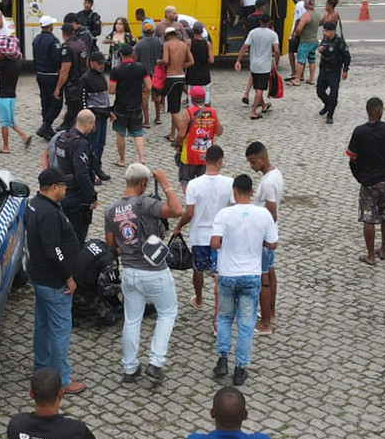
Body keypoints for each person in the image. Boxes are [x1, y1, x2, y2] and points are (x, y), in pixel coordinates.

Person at [103, 164, 183, 385]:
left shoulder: (111, 210)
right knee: (167, 312)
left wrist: (128, 245)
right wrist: (165, 183)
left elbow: (111, 245)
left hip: (129, 272)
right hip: (154, 271)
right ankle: (155, 362)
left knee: (132, 320)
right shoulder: (146, 204)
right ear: (143, 183)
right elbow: (177, 210)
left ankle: (130, 368)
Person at [210, 175, 279, 386]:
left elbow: (214, 243)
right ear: (251, 192)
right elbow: (273, 244)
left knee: (224, 318)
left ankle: (222, 360)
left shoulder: (223, 214)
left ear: (234, 191)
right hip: (251, 274)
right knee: (246, 324)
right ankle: (240, 368)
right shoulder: (264, 214)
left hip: (228, 274)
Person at [26, 171, 87, 395]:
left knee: (42, 326)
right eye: (63, 186)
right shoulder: (49, 213)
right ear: (53, 187)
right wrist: (68, 277)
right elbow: (54, 250)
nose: (66, 189)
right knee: (60, 331)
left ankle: (40, 368)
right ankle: (61, 380)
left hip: (39, 276)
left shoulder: (34, 204)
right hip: (54, 282)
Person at [346, 97, 385, 265]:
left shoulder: (359, 132)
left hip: (369, 182)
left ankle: (370, 255)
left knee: (368, 218)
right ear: (381, 111)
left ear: (367, 111)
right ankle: (383, 250)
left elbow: (352, 157)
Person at [173, 144, 233, 312]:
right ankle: (218, 312)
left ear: (205, 160)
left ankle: (199, 299)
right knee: (218, 274)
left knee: (198, 269)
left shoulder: (193, 184)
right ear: (221, 161)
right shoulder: (230, 183)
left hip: (199, 235)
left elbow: (189, 212)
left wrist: (178, 226)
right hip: (220, 237)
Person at [246, 142, 282, 334]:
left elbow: (271, 212)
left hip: (263, 238)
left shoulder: (268, 183)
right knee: (270, 272)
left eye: (253, 162)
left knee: (263, 279)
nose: (252, 166)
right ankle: (271, 312)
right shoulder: (275, 174)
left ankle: (266, 323)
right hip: (271, 235)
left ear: (263, 158)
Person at [54, 110, 100, 245]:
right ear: (89, 124)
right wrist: (91, 197)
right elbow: (81, 174)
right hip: (77, 197)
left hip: (64, 192)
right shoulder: (79, 144)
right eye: (93, 125)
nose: (93, 129)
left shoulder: (62, 138)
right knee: (77, 237)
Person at [108, 43, 150, 167]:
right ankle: (142, 157)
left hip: (121, 106)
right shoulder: (141, 68)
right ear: (132, 53)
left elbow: (111, 90)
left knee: (120, 133)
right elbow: (149, 85)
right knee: (138, 133)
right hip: (136, 105)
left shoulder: (116, 70)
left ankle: (122, 159)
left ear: (120, 54)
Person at [174, 85, 223, 186]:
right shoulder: (212, 112)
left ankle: (190, 200)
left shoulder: (187, 113)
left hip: (189, 155)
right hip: (206, 155)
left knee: (186, 180)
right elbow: (219, 132)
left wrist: (177, 145)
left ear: (191, 98)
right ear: (204, 98)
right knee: (204, 183)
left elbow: (182, 134)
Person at [235, 16, 279, 121]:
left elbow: (244, 47)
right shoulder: (273, 34)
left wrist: (238, 60)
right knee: (260, 89)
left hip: (254, 64)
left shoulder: (253, 32)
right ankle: (253, 111)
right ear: (269, 22)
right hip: (265, 66)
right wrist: (276, 62)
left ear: (260, 21)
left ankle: (263, 105)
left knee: (257, 86)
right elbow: (276, 50)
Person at [54, 23, 89, 131]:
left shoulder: (67, 48)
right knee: (80, 105)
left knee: (72, 106)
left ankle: (72, 128)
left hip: (72, 82)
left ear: (64, 33)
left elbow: (65, 70)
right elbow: (86, 62)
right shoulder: (82, 44)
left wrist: (58, 88)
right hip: (83, 79)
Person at [81, 52, 111, 178]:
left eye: (103, 63)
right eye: (99, 63)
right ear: (91, 63)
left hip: (103, 115)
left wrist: (110, 111)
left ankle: (97, 167)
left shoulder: (100, 75)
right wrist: (89, 121)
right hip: (94, 117)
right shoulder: (86, 78)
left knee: (101, 144)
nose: (101, 66)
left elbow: (104, 98)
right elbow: (82, 101)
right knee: (92, 145)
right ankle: (90, 170)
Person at [315, 20, 350, 124]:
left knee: (333, 94)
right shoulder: (325, 39)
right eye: (323, 31)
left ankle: (330, 115)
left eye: (326, 31)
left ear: (332, 31)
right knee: (320, 91)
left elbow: (347, 56)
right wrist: (320, 49)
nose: (324, 33)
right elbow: (321, 48)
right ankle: (327, 105)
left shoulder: (339, 42)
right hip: (323, 69)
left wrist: (345, 70)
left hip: (334, 71)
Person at [161, 28, 194, 141]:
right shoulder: (184, 45)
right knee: (175, 108)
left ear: (168, 36)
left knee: (173, 110)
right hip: (181, 77)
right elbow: (191, 62)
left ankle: (184, 135)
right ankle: (172, 134)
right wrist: (181, 66)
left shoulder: (167, 45)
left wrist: (159, 62)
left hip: (171, 78)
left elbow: (165, 60)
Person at [34, 15, 62, 139]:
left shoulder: (36, 38)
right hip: (51, 75)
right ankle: (46, 125)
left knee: (45, 101)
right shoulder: (53, 41)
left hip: (40, 74)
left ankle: (47, 128)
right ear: (50, 26)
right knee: (57, 102)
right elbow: (57, 59)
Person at [134, 20, 164, 128]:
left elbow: (136, 59)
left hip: (144, 74)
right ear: (153, 31)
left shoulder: (139, 44)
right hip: (156, 74)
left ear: (143, 31)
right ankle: (158, 118)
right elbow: (162, 55)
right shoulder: (158, 42)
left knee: (144, 97)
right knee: (157, 97)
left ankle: (146, 121)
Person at [290, 0, 319, 86]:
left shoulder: (306, 15)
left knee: (300, 60)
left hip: (305, 41)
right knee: (312, 60)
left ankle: (297, 79)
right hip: (314, 40)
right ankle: (311, 79)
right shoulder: (317, 14)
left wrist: (295, 34)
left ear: (305, 4)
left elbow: (299, 29)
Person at [286, 0, 306, 84]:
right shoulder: (306, 5)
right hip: (303, 32)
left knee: (291, 52)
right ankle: (301, 74)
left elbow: (298, 20)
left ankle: (294, 72)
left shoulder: (298, 5)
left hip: (297, 31)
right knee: (301, 53)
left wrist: (294, 33)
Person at [187, 22, 212, 98]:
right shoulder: (207, 44)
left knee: (192, 97)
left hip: (192, 74)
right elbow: (211, 60)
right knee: (205, 97)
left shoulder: (189, 42)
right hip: (204, 74)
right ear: (202, 31)